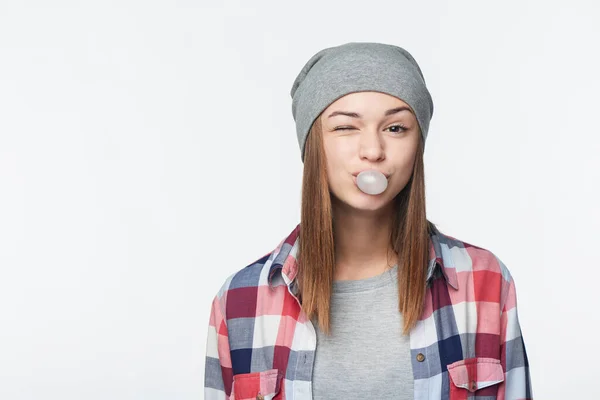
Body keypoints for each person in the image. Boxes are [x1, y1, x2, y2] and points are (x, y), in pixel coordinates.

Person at [203, 42, 533, 400]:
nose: (373, 150)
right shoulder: (240, 300)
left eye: (395, 128)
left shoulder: (484, 281)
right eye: (346, 127)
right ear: (313, 144)